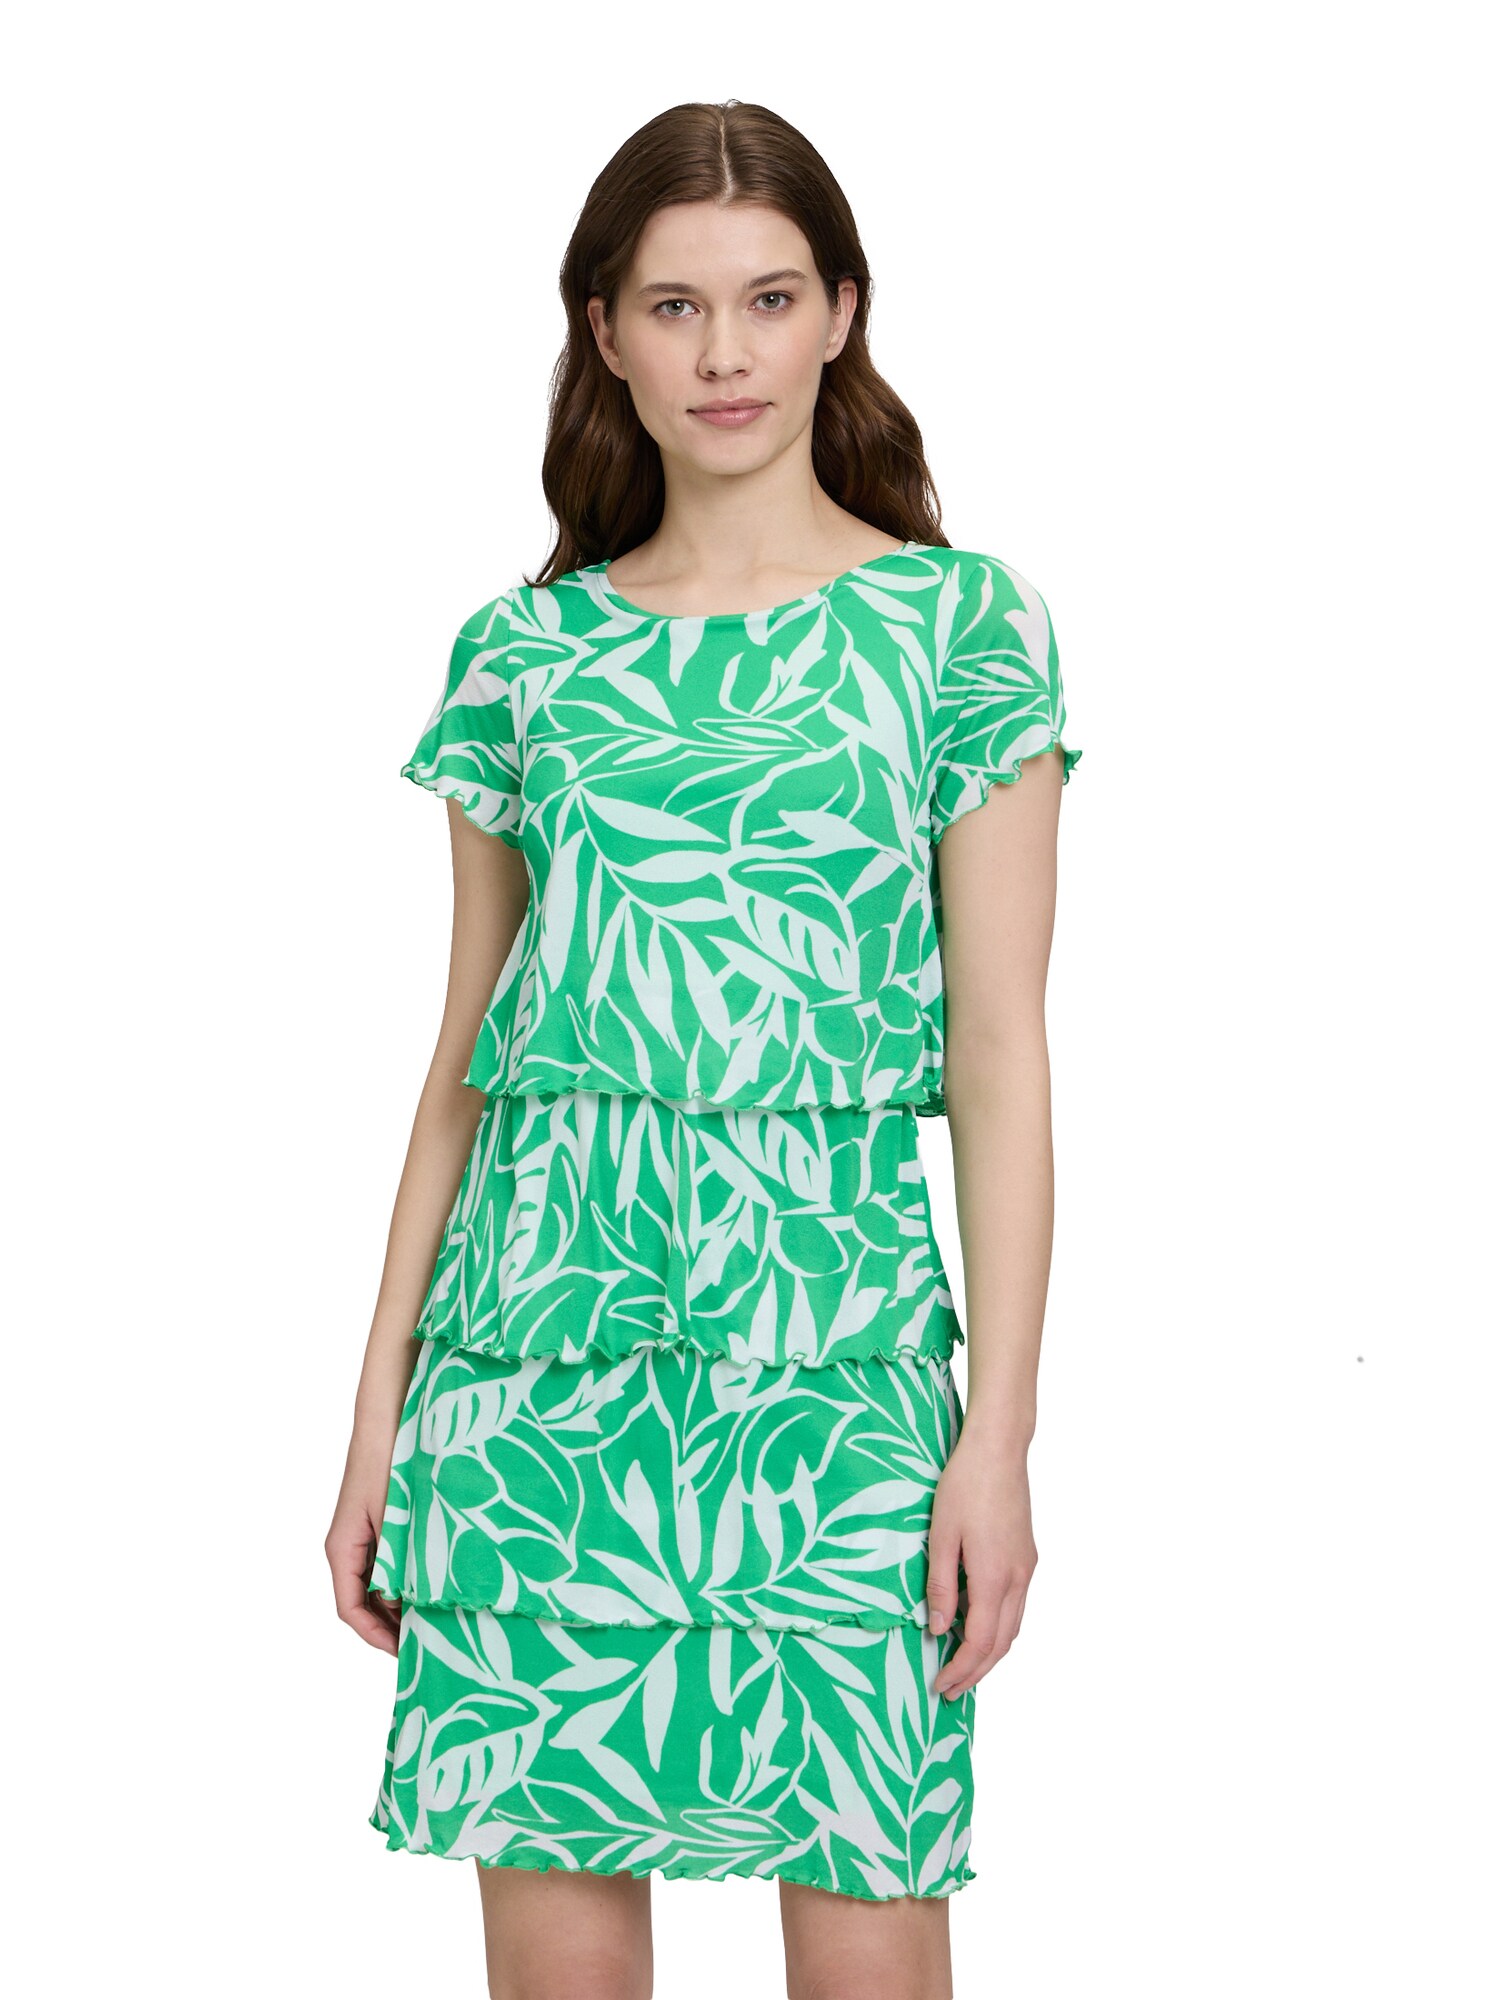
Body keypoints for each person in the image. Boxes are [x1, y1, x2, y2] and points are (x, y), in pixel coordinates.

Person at [326, 97, 1082, 2000]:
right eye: (674, 306)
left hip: (834, 1381)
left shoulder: (959, 631)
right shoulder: (526, 657)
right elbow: (467, 1065)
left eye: (768, 298)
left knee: (872, 1949)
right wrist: (374, 1424)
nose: (724, 353)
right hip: (536, 1386)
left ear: (842, 313)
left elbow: (1001, 1057)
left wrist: (997, 1440)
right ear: (604, 331)